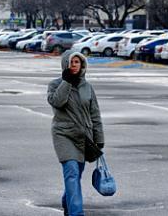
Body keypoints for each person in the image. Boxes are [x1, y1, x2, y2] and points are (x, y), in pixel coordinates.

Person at [47, 50, 104, 216]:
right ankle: (76, 213)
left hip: (84, 137)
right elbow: (57, 102)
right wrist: (66, 82)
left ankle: (68, 202)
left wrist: (99, 138)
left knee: (76, 175)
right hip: (63, 134)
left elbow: (95, 114)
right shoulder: (55, 84)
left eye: (77, 62)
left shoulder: (88, 87)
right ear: (65, 64)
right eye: (71, 62)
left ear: (82, 65)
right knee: (71, 172)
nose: (74, 66)